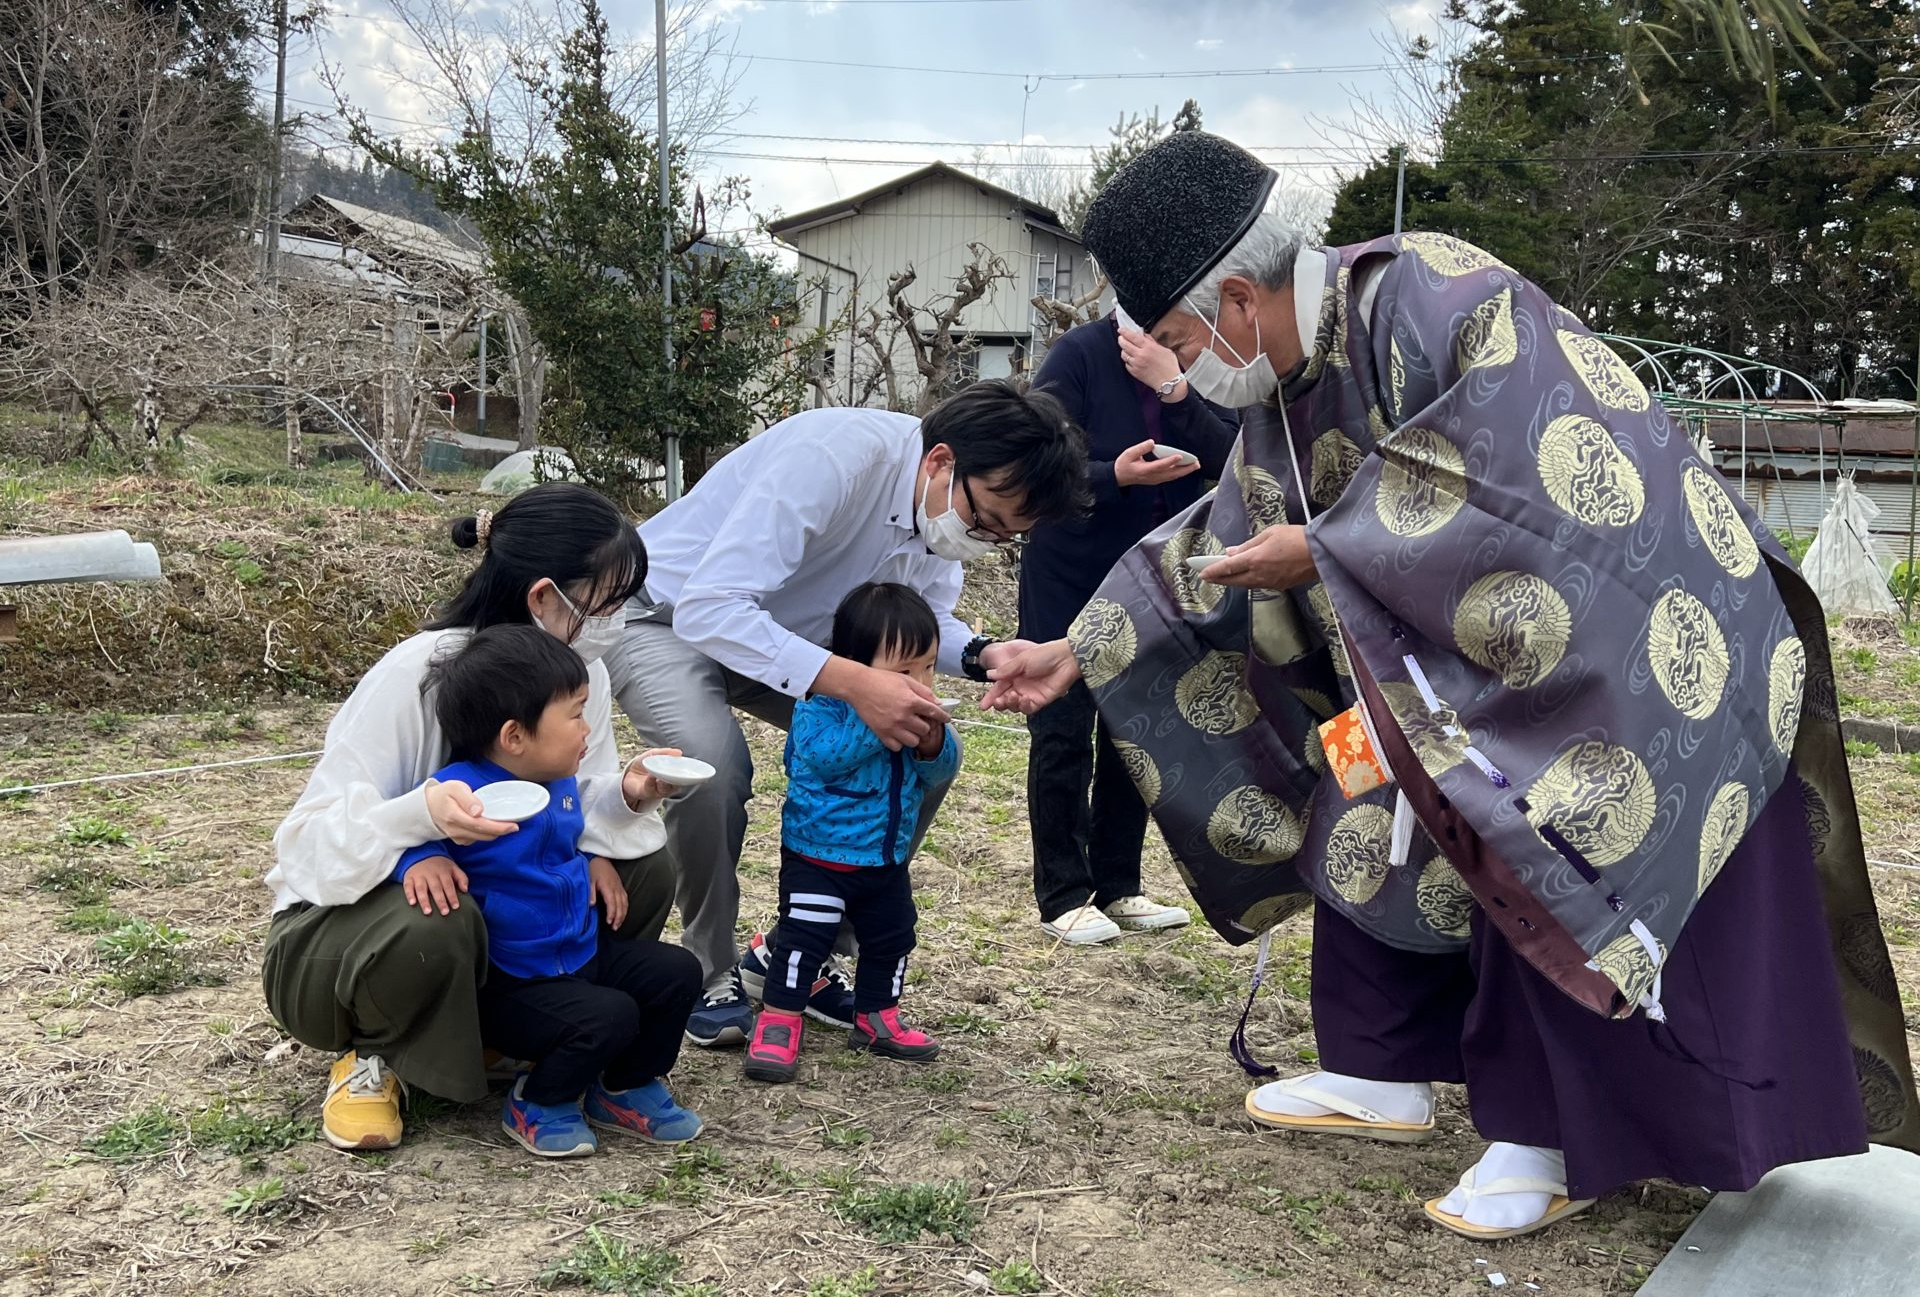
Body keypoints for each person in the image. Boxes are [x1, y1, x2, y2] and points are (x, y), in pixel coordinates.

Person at [984, 130, 1917, 1239]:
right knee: (1366, 775)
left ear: (1238, 300)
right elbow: (1235, 529)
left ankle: (1553, 1136)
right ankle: (1381, 1068)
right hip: (1481, 649)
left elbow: (1521, 490)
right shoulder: (1290, 379)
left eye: (1184, 340)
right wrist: (1077, 649)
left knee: (1530, 815)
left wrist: (1327, 552)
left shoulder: (1442, 291)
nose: (1188, 369)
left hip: (1642, 641)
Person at [606, 380, 1090, 1047]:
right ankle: (706, 969)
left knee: (921, 743)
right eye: (985, 522)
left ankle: (794, 953)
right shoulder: (833, 458)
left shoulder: (940, 515)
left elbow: (926, 621)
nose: (983, 541)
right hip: (665, 617)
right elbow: (712, 608)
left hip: (792, 645)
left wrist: (987, 655)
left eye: (1007, 537)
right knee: (711, 765)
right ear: (940, 463)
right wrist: (857, 684)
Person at [261, 484, 691, 1153]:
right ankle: (374, 1050)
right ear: (545, 598)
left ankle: (530, 1032)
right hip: (349, 925)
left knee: (641, 864)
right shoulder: (417, 676)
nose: (617, 619)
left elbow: (576, 795)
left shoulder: (583, 671)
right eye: (607, 601)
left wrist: (624, 802)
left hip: (507, 906)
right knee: (436, 911)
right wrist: (419, 825)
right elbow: (308, 846)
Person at [393, 626, 703, 1157]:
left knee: (678, 973)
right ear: (515, 736)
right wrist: (420, 859)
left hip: (578, 952)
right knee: (609, 1016)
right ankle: (538, 1100)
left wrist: (594, 859)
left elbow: (559, 842)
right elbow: (408, 832)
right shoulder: (461, 790)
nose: (588, 729)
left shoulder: (559, 781)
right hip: (513, 982)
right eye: (576, 714)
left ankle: (622, 1087)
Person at [1019, 304, 1239, 944]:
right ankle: (1062, 892)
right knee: (1062, 729)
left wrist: (1175, 386)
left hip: (1155, 574)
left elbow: (1231, 458)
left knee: (1132, 729)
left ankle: (1119, 887)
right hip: (1069, 567)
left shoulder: (1203, 358)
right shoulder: (1080, 354)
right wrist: (1114, 475)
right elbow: (1035, 461)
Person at [743, 583, 961, 1083]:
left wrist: (932, 743)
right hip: (819, 858)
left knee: (892, 938)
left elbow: (937, 772)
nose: (920, 682)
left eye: (927, 666)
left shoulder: (917, 715)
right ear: (852, 668)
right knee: (804, 941)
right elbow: (822, 759)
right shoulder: (819, 708)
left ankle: (876, 1018)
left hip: (885, 860)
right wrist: (872, 716)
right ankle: (780, 1020)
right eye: (902, 672)